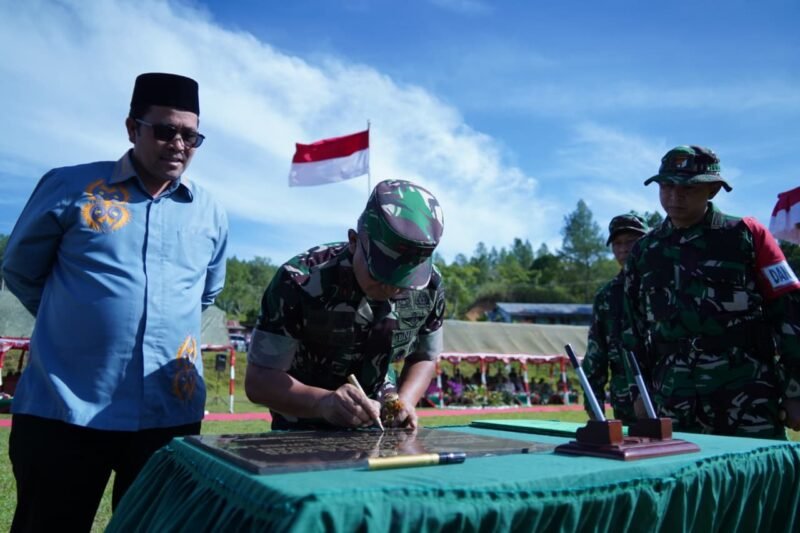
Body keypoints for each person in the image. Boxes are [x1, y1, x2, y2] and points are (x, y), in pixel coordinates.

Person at [3, 72, 228, 531]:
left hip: (168, 418)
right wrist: (78, 325)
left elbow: (206, 294)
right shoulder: (70, 188)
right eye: (165, 130)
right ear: (132, 128)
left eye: (191, 135)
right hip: (65, 410)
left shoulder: (210, 211)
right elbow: (21, 271)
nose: (179, 144)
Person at [623, 145, 800, 438]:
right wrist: (637, 391)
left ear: (713, 190)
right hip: (672, 399)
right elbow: (632, 328)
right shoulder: (645, 250)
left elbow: (790, 315)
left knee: (752, 479)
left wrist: (795, 391)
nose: (675, 196)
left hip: (745, 397)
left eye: (688, 188)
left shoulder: (747, 235)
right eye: (666, 186)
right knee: (681, 480)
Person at [244, 179, 445, 430]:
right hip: (303, 433)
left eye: (404, 281)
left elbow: (425, 356)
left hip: (380, 430)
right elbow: (258, 381)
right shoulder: (299, 279)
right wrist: (323, 403)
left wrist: (404, 401)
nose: (391, 288)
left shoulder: (431, 287)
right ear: (353, 241)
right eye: (380, 273)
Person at [581, 214, 649, 424]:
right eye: (618, 243)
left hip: (670, 392)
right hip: (625, 399)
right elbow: (596, 355)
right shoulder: (606, 296)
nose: (624, 249)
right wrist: (594, 403)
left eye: (632, 241)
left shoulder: (666, 285)